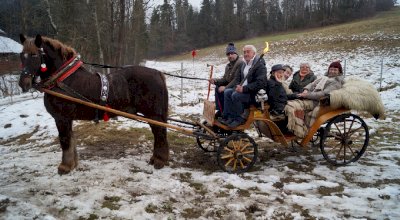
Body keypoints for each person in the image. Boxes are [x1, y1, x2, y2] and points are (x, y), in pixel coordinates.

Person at [285, 61, 345, 138]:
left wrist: (307, 95)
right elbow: (312, 84)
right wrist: (306, 89)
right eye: (331, 69)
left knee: (292, 106)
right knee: (290, 103)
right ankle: (293, 126)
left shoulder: (336, 82)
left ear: (339, 71)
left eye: (335, 70)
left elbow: (323, 94)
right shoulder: (324, 77)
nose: (332, 71)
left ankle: (299, 130)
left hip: (318, 102)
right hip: (308, 97)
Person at [219, 45, 266, 128]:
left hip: (254, 94)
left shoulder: (259, 65)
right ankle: (230, 116)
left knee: (235, 95)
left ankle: (240, 119)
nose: (246, 54)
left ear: (254, 53)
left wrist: (244, 89)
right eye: (244, 52)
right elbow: (239, 78)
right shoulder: (244, 64)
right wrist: (237, 86)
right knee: (227, 92)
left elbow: (260, 83)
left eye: (248, 52)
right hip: (243, 90)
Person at [209, 43, 244, 116]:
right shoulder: (228, 66)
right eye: (228, 54)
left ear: (236, 54)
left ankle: (227, 113)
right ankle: (221, 109)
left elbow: (236, 80)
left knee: (226, 91)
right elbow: (225, 79)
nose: (230, 56)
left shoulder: (240, 63)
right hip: (231, 85)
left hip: (238, 86)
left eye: (232, 53)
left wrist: (225, 87)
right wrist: (215, 80)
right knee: (217, 88)